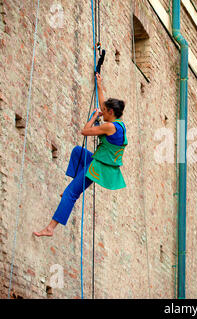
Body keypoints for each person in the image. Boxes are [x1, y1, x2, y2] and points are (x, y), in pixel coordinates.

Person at [34, 73, 128, 237]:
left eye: (104, 111)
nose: (102, 112)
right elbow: (103, 104)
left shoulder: (109, 127)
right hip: (100, 161)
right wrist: (99, 84)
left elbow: (85, 131)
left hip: (98, 167)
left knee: (71, 194)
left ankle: (50, 228)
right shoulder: (119, 124)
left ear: (111, 111)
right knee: (78, 151)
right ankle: (73, 184)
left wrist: (93, 117)